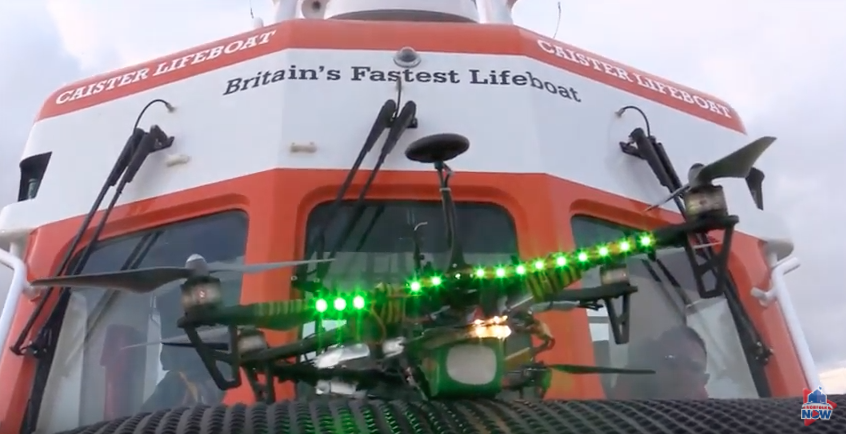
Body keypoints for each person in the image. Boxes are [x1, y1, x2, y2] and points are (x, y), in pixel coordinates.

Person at [611, 325, 710, 400]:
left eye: (694, 367)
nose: (682, 374)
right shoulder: (624, 407)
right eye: (671, 362)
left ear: (704, 380)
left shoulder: (712, 418)